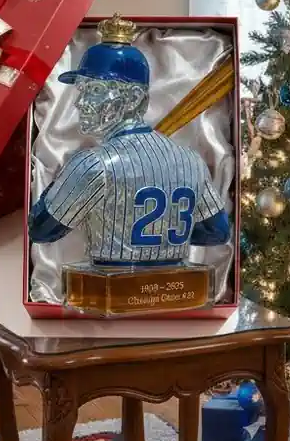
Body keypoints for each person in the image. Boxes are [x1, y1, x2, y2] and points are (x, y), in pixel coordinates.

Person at [28, 15, 229, 265]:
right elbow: (216, 231)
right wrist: (163, 232)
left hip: (108, 290)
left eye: (95, 91)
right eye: (82, 90)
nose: (80, 103)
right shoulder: (191, 160)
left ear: (134, 97)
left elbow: (41, 229)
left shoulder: (93, 164)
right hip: (175, 289)